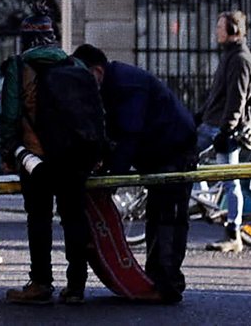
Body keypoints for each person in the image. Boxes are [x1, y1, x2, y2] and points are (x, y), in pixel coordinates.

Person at [72, 44, 197, 304]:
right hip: (163, 150)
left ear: (97, 71)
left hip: (174, 150)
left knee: (168, 218)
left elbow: (128, 135)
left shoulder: (126, 85)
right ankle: (161, 280)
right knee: (159, 215)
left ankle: (167, 284)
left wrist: (111, 180)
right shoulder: (112, 85)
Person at [0, 12, 93, 305]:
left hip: (36, 158)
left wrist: (8, 151)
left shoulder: (19, 66)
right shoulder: (76, 64)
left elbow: (10, 113)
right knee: (74, 217)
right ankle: (76, 285)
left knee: (39, 218)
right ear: (53, 36)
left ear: (25, 38)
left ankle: (41, 282)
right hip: (75, 156)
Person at [198, 10, 251, 253]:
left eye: (219, 27)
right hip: (212, 123)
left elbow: (237, 100)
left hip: (222, 128)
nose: (216, 32)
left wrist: (226, 131)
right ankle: (208, 203)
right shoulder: (229, 57)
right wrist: (199, 114)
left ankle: (233, 233)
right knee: (186, 158)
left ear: (233, 31)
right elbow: (218, 95)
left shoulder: (240, 60)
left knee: (230, 181)